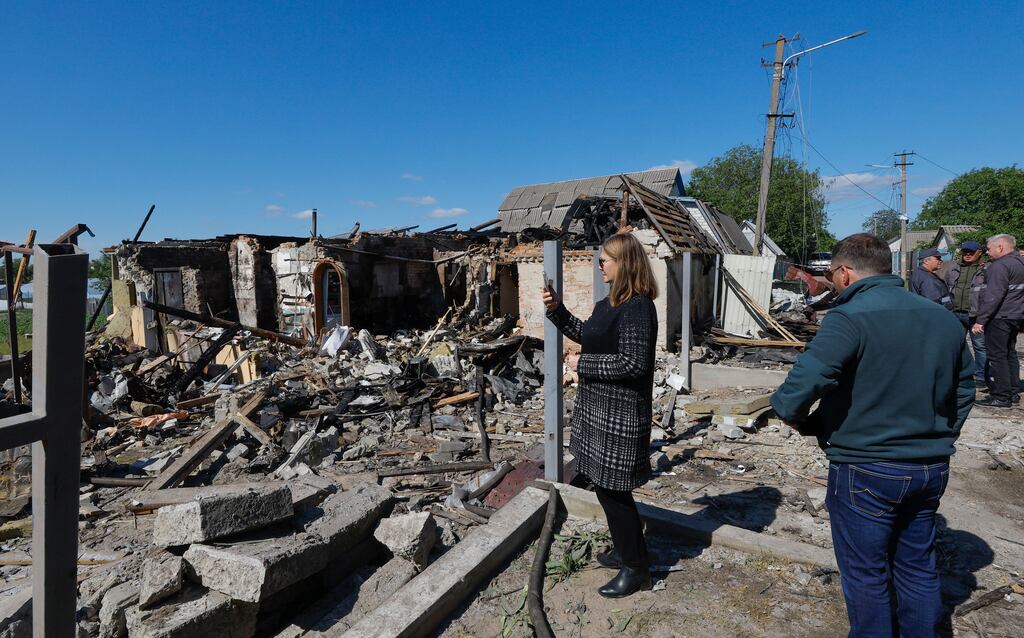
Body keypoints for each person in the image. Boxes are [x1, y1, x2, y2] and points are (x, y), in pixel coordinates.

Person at [770, 233, 975, 638]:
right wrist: (939, 434)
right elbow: (965, 389)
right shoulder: (942, 318)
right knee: (918, 566)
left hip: (865, 468)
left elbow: (803, 383)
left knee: (866, 574)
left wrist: (795, 417)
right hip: (930, 467)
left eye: (832, 274)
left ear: (845, 273)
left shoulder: (849, 317)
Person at [542, 232, 658, 598]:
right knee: (605, 489)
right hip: (599, 414)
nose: (599, 265)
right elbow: (587, 334)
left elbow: (633, 364)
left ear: (624, 263)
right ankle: (626, 550)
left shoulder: (638, 307)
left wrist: (583, 364)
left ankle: (637, 569)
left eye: (605, 260)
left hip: (620, 418)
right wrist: (557, 310)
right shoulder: (607, 304)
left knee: (614, 492)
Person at [971, 234, 1024, 407]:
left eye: (989, 248)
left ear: (1000, 247)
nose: (987, 252)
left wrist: (981, 320)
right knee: (1010, 354)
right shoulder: (1020, 263)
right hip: (1016, 316)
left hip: (999, 317)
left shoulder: (1000, 266)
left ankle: (1001, 396)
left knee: (997, 356)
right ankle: (1013, 392)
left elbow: (993, 296)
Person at [946, 240, 988, 388]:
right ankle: (957, 374)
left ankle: (981, 376)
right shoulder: (953, 269)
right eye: (965, 251)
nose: (968, 254)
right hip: (955, 313)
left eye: (971, 252)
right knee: (955, 345)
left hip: (976, 316)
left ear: (979, 253)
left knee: (980, 346)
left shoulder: (986, 269)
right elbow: (946, 289)